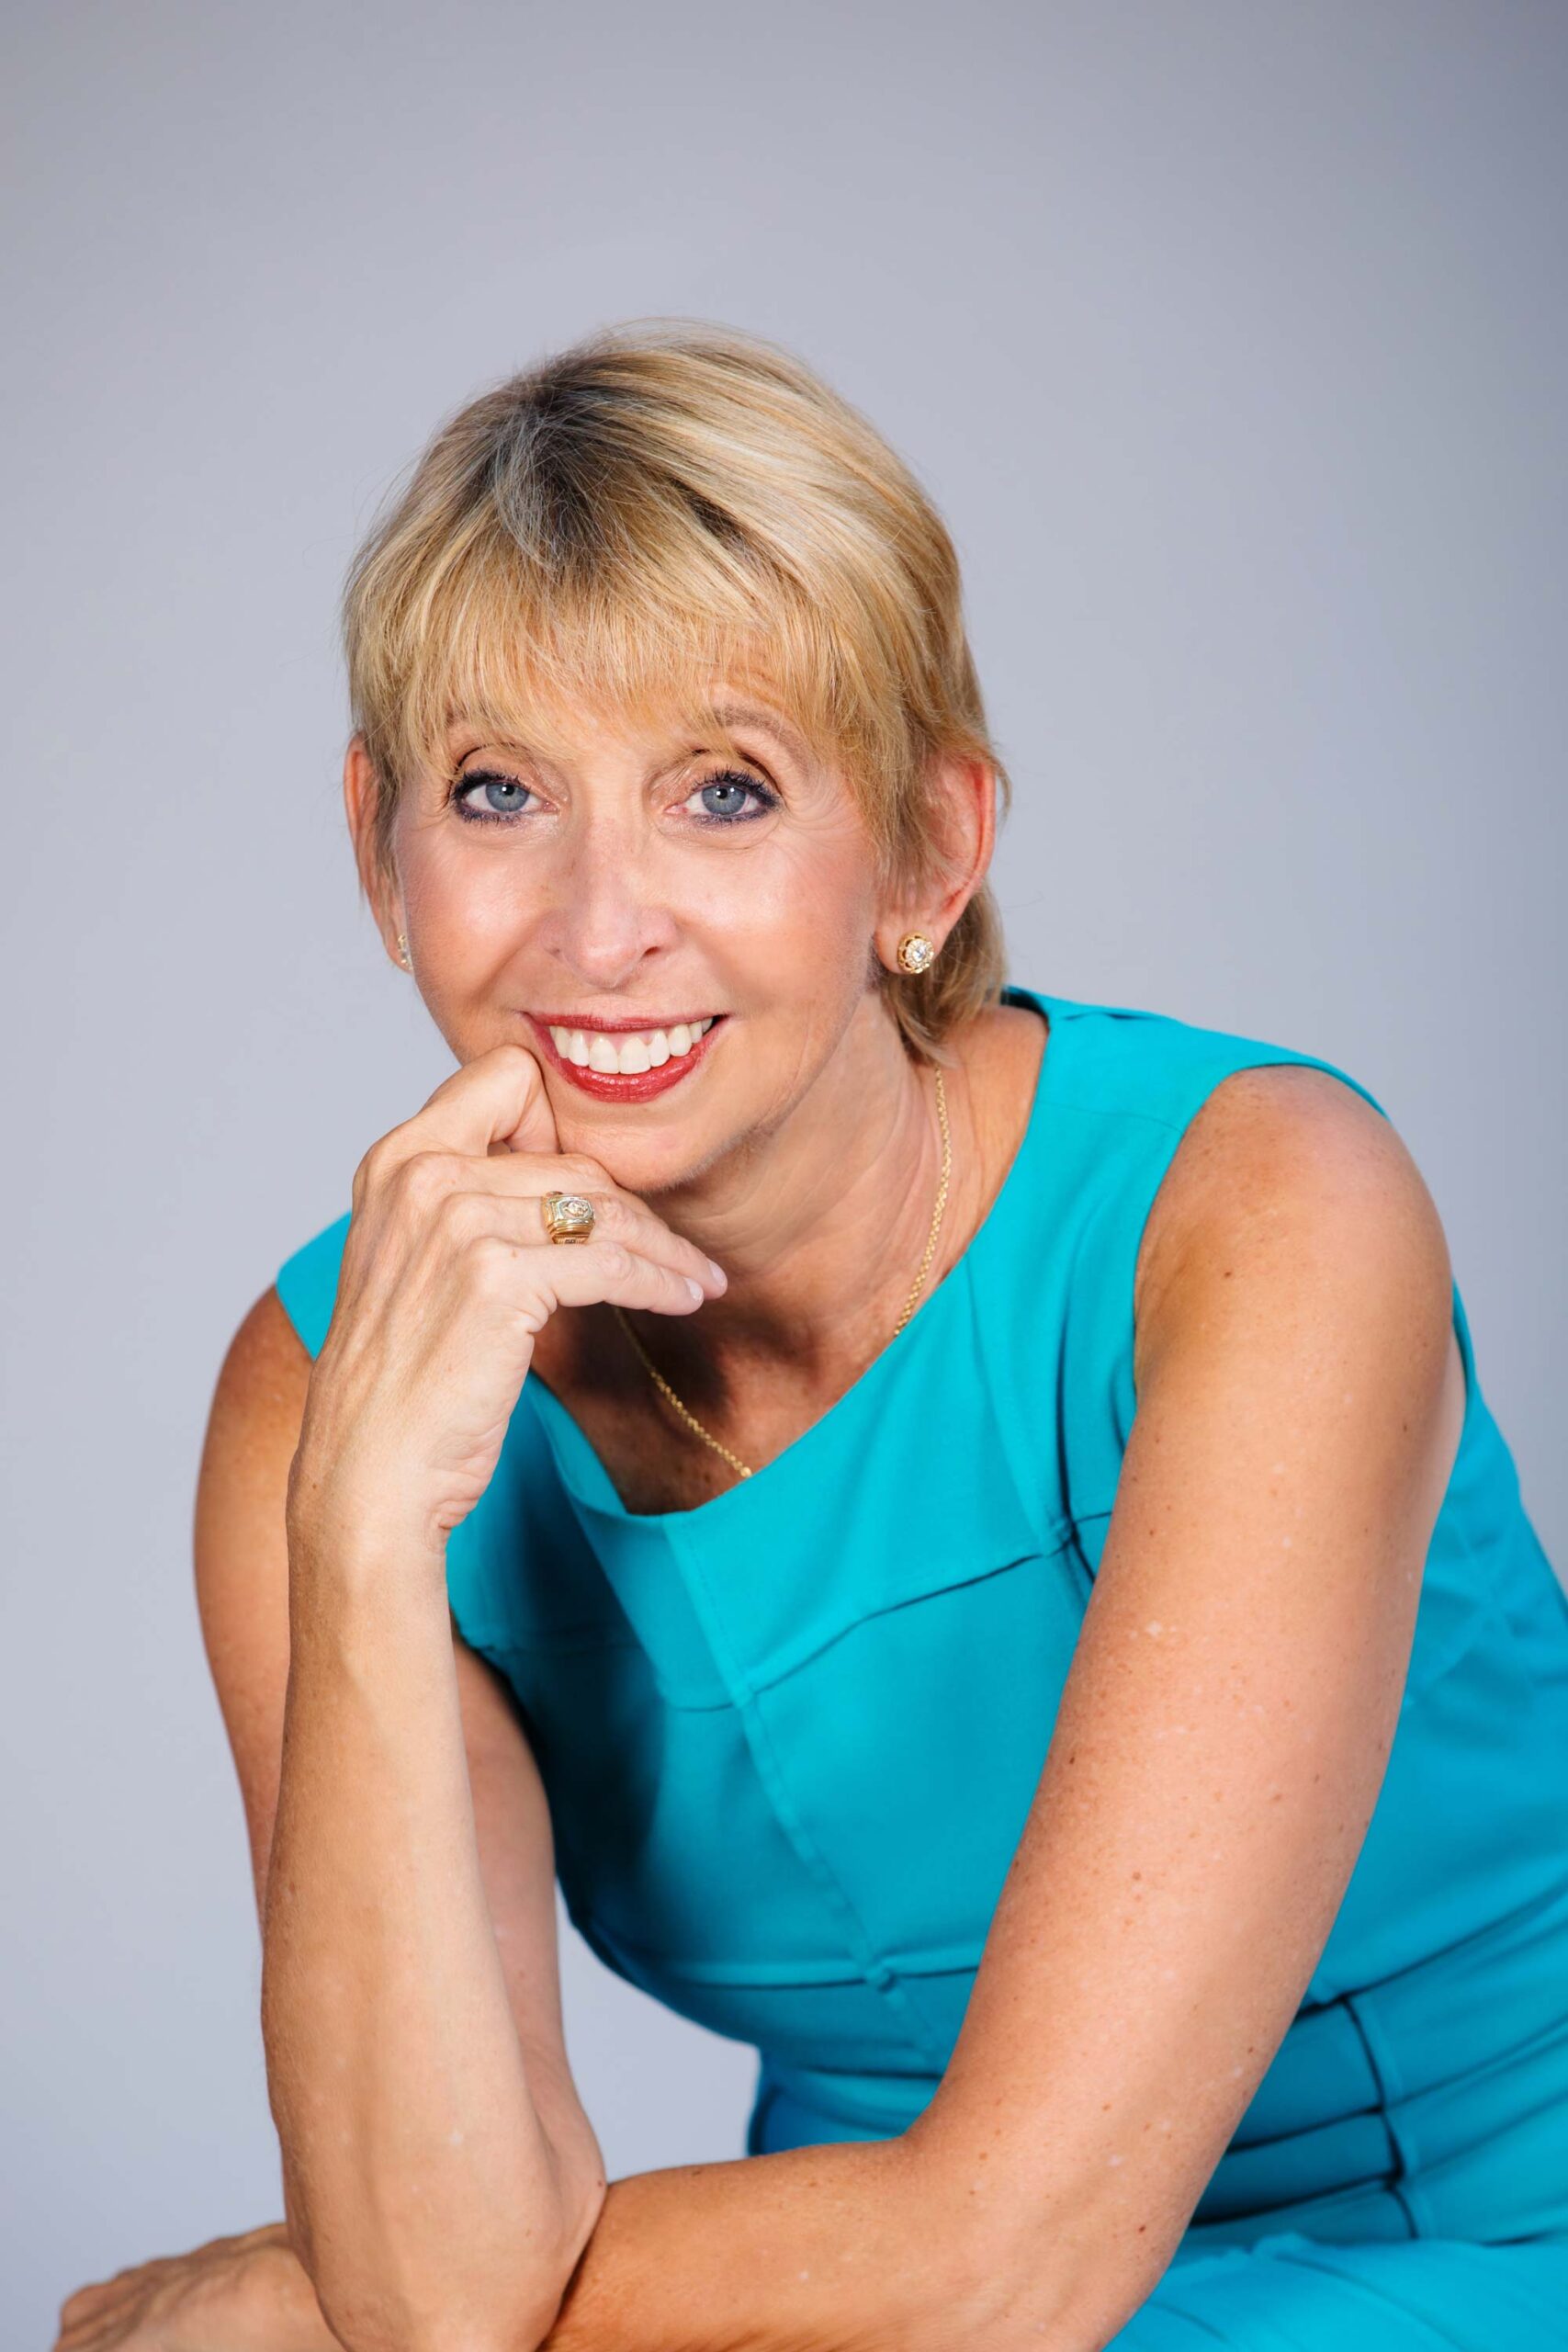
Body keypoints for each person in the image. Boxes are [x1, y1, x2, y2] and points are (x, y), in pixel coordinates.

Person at [55, 321, 1568, 2352]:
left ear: (927, 851)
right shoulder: (331, 1391)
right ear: (376, 847)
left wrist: (286, 2303)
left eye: (723, 790)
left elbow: (1010, 2256)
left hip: (1484, 2232)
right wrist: (359, 1532)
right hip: (840, 2278)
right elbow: (428, 2283)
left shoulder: (1258, 1215)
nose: (599, 925)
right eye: (497, 791)